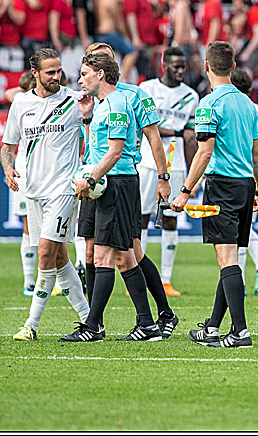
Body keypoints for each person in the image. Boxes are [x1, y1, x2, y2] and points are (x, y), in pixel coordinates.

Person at [173, 41, 258, 348]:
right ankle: (213, 327)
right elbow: (257, 153)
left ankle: (240, 331)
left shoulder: (208, 105)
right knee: (231, 259)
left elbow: (204, 151)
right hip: (245, 184)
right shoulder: (248, 105)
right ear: (233, 67)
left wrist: (185, 190)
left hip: (222, 185)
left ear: (207, 67)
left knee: (226, 259)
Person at [63, 53, 160, 342]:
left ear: (101, 75)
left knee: (105, 256)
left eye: (84, 73)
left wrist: (90, 179)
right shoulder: (105, 105)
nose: (80, 80)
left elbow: (115, 151)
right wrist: (87, 118)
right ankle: (147, 324)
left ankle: (93, 326)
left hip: (115, 183)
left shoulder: (116, 105)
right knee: (123, 256)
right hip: (112, 182)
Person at [84, 42, 177, 335]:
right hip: (94, 178)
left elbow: (154, 138)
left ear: (107, 67)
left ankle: (156, 315)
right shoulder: (90, 96)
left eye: (102, 58)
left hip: (116, 179)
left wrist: (163, 176)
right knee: (92, 250)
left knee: (127, 252)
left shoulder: (134, 96)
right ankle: (97, 319)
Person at [5, 49, 90, 339]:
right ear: (35, 74)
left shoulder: (74, 100)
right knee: (58, 258)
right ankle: (89, 319)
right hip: (33, 190)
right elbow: (8, 145)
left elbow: (92, 135)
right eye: (50, 72)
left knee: (44, 252)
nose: (57, 77)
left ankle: (31, 325)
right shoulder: (21, 103)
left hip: (63, 190)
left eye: (59, 71)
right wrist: (7, 169)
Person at [137, 47, 199, 296]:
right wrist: (175, 131)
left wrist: (193, 177)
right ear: (163, 64)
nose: (181, 70)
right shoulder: (148, 89)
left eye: (183, 66)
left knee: (171, 217)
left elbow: (191, 137)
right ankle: (139, 275)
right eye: (176, 66)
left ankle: (166, 280)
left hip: (177, 163)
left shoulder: (192, 96)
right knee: (141, 216)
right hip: (148, 161)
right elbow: (146, 126)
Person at [230, 67, 258, 295]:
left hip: (237, 172)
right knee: (246, 226)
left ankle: (241, 283)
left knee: (237, 231)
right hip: (256, 171)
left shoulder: (239, 110)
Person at [6, 71, 38, 295]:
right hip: (25, 172)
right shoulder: (23, 102)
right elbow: (9, 93)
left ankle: (57, 280)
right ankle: (29, 281)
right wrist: (29, 92)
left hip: (51, 172)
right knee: (29, 226)